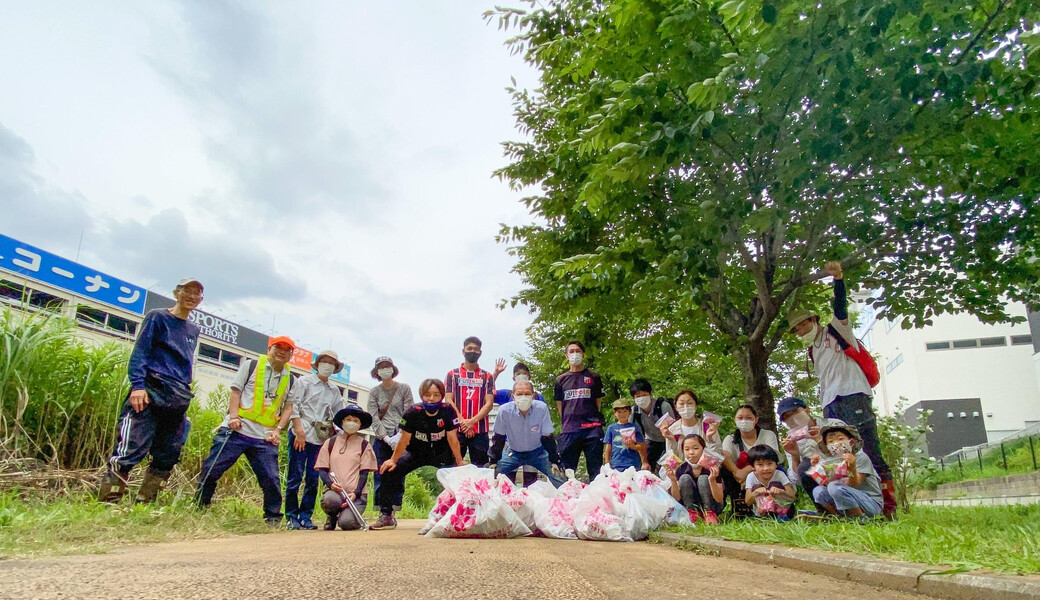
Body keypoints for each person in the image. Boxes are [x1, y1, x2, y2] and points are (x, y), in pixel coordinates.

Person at [788, 261, 895, 517]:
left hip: (852, 396)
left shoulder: (836, 332)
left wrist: (838, 280)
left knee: (868, 450)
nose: (800, 330)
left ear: (813, 320)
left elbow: (840, 308)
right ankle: (844, 510)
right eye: (796, 329)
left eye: (803, 324)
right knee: (835, 455)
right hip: (830, 403)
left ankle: (888, 508)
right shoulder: (813, 349)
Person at [99, 278, 203, 504]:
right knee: (130, 447)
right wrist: (138, 386)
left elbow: (185, 363)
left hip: (177, 396)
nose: (191, 296)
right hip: (150, 389)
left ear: (200, 300)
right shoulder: (157, 317)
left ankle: (145, 502)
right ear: (177, 293)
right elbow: (141, 352)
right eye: (187, 291)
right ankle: (109, 502)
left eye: (196, 293)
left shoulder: (193, 330)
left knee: (169, 453)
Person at [195, 336, 297, 525]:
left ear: (291, 355)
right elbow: (236, 391)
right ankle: (200, 506)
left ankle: (273, 517)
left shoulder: (291, 379)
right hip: (237, 429)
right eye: (278, 347)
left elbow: (289, 407)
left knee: (271, 478)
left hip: (264, 436)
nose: (282, 351)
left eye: (287, 349)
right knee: (212, 468)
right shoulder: (251, 366)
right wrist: (233, 417)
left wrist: (278, 429)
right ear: (270, 349)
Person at [373, 378, 467, 530]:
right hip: (416, 452)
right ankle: (386, 515)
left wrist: (459, 461)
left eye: (436, 395)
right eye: (428, 394)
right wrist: (393, 460)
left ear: (442, 396)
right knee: (390, 470)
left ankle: (458, 515)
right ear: (422, 395)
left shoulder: (448, 410)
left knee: (459, 476)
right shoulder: (412, 412)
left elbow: (452, 438)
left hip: (441, 452)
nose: (431, 399)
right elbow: (404, 440)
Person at [285, 349, 347, 530]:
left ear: (335, 368)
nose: (327, 366)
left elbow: (337, 416)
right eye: (324, 362)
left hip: (319, 438)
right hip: (301, 432)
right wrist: (298, 431)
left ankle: (306, 516)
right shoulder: (304, 382)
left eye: (331, 363)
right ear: (318, 364)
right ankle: (291, 517)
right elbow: (293, 405)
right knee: (294, 476)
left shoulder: (334, 391)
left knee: (313, 479)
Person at [489, 379, 566, 487]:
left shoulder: (541, 408)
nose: (523, 397)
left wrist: (555, 460)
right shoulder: (504, 411)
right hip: (513, 454)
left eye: (527, 393)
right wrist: (493, 460)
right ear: (513, 396)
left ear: (533, 395)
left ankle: (568, 501)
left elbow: (547, 437)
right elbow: (498, 438)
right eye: (519, 394)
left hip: (538, 453)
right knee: (490, 476)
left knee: (560, 477)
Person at [315, 405, 378, 531]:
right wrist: (330, 485)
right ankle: (332, 516)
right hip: (335, 492)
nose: (351, 423)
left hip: (355, 495)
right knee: (329, 500)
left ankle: (347, 516)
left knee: (346, 524)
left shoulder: (365, 445)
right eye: (349, 419)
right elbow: (322, 469)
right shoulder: (330, 443)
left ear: (360, 425)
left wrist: (356, 493)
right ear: (342, 422)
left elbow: (364, 474)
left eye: (356, 421)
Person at [776, 396, 847, 509]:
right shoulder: (791, 441)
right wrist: (795, 455)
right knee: (805, 466)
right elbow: (797, 480)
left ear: (807, 410)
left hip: (844, 471)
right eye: (787, 417)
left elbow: (850, 452)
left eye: (795, 412)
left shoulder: (833, 424)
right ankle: (826, 511)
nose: (793, 418)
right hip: (819, 480)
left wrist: (820, 439)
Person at [366, 356, 415, 516]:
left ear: (393, 369)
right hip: (382, 438)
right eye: (381, 367)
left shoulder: (404, 388)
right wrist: (385, 437)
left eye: (388, 366)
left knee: (398, 471)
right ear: (376, 371)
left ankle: (393, 509)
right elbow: (372, 416)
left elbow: (409, 411)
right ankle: (382, 509)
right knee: (381, 472)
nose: (385, 369)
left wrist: (401, 434)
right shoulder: (374, 392)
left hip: (401, 436)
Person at [444, 336, 502, 467]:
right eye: (469, 348)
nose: (473, 351)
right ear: (463, 351)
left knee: (481, 468)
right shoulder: (452, 375)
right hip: (457, 429)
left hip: (480, 430)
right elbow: (448, 400)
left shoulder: (487, 376)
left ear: (480, 352)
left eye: (476, 349)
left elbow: (489, 403)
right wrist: (463, 422)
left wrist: (472, 421)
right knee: (452, 466)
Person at [554, 341, 605, 480]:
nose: (574, 354)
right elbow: (560, 406)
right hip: (570, 430)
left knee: (596, 472)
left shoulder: (594, 377)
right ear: (566, 356)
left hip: (592, 429)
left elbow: (597, 401)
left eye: (577, 351)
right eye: (571, 351)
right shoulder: (560, 380)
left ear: (583, 354)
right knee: (566, 473)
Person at [720, 404, 782, 518]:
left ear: (756, 419)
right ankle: (738, 507)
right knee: (723, 470)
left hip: (764, 472)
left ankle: (774, 509)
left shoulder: (767, 435)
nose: (744, 421)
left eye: (748, 418)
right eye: (740, 418)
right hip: (738, 478)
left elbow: (773, 457)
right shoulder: (731, 439)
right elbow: (725, 457)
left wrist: (749, 470)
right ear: (735, 420)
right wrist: (737, 472)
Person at [811, 423, 884, 519]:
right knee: (818, 491)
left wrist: (852, 467)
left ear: (851, 442)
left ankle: (862, 518)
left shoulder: (861, 457)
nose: (836, 443)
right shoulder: (831, 461)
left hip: (870, 503)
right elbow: (828, 485)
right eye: (831, 441)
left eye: (840, 439)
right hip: (845, 496)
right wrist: (817, 469)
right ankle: (838, 517)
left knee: (835, 487)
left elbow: (854, 485)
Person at [493, 362, 545, 485]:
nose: (521, 376)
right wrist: (496, 373)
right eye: (518, 374)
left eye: (524, 374)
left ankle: (530, 499)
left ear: (529, 376)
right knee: (508, 477)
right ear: (513, 378)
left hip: (533, 444)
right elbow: (489, 391)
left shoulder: (538, 397)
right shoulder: (506, 395)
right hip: (511, 444)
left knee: (531, 478)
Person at [666, 434, 724, 522]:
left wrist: (712, 480)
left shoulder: (711, 467)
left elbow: (719, 498)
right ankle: (691, 512)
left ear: (703, 449)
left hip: (714, 505)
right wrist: (673, 481)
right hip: (690, 504)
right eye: (687, 449)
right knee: (684, 478)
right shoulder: (681, 469)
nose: (691, 452)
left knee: (703, 479)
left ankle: (709, 513)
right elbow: (676, 498)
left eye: (696, 448)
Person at [659, 390, 721, 462]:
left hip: (705, 471)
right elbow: (671, 460)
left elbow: (717, 455)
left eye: (690, 403)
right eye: (681, 404)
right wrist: (671, 441)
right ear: (676, 408)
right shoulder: (672, 430)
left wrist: (710, 439)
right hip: (682, 471)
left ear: (695, 406)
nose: (686, 407)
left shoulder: (708, 427)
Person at [629, 378, 676, 468]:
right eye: (638, 397)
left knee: (668, 467)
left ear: (651, 393)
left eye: (644, 395)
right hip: (650, 441)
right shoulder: (633, 412)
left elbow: (673, 428)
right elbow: (633, 433)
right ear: (633, 398)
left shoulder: (663, 406)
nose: (641, 399)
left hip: (667, 441)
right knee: (645, 467)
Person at [744, 445, 796, 519]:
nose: (766, 468)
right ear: (753, 467)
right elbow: (747, 501)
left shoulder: (779, 474)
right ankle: (763, 514)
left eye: (770, 464)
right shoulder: (751, 477)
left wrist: (781, 491)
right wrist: (756, 492)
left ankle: (783, 515)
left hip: (781, 510)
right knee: (757, 487)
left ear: (776, 464)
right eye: (760, 465)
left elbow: (792, 497)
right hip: (761, 512)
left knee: (774, 484)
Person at [603, 400, 650, 472]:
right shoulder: (611, 428)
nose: (622, 414)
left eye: (625, 411)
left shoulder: (635, 427)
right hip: (616, 464)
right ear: (614, 413)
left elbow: (642, 446)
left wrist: (633, 446)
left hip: (633, 464)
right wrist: (607, 462)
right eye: (619, 412)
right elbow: (608, 446)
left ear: (630, 412)